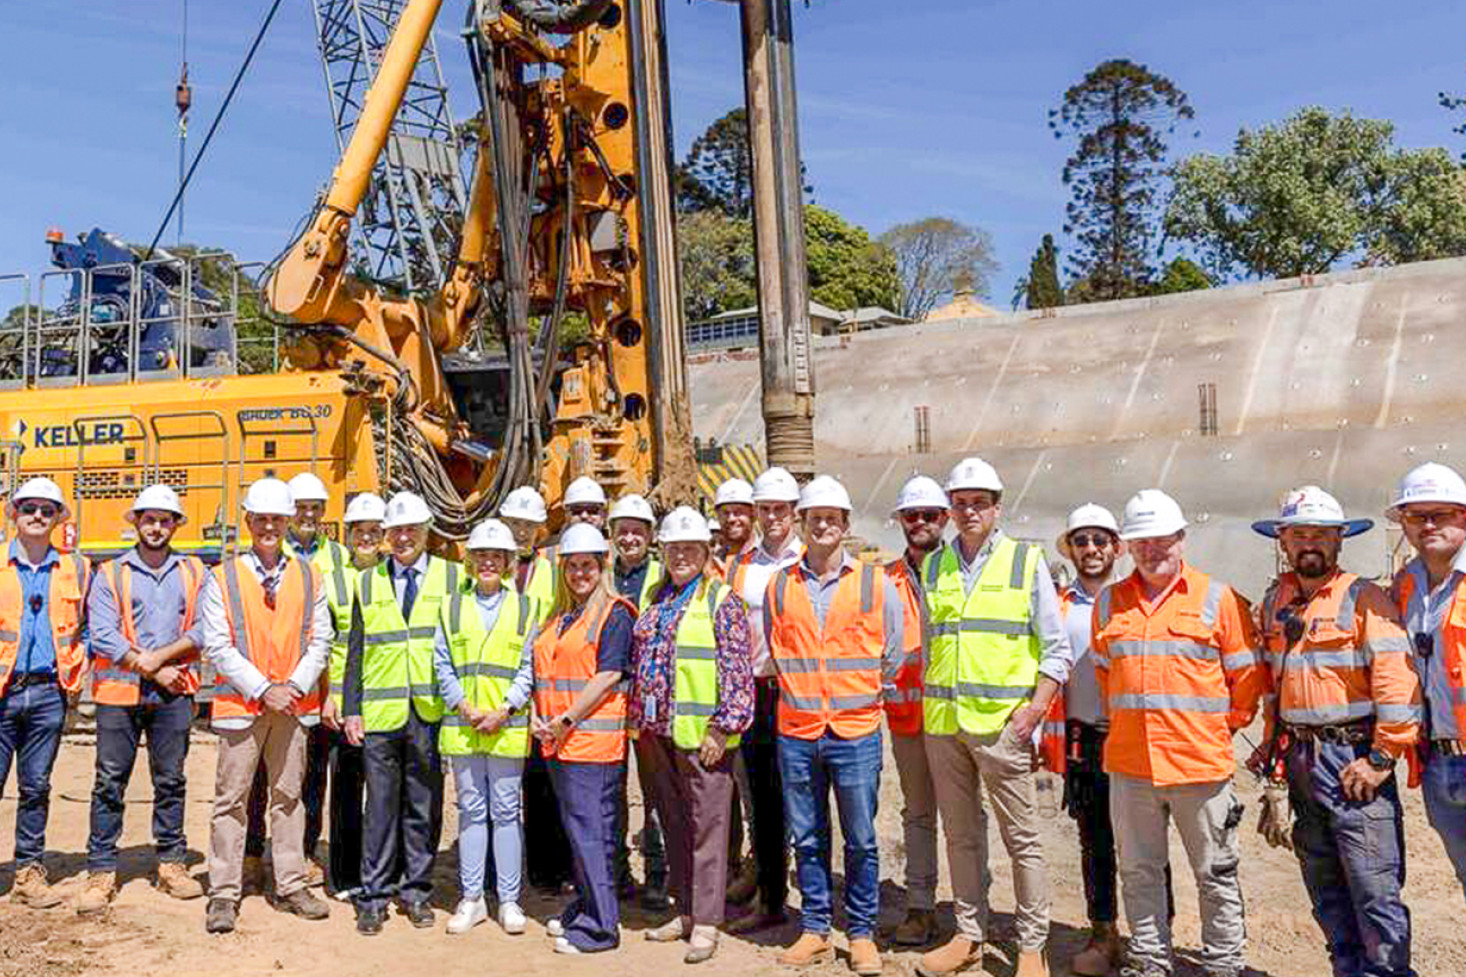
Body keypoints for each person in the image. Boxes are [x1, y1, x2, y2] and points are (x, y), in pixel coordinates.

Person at [1091, 489, 1266, 977]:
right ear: (1128, 546)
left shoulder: (1218, 598)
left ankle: (1225, 964)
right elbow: (1108, 676)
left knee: (1215, 874)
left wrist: (1214, 729)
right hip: (1130, 766)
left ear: (1181, 539)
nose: (1151, 550)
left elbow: (1246, 680)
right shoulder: (1109, 604)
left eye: (1161, 539)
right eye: (1140, 541)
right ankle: (1149, 961)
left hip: (1199, 766)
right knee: (1139, 873)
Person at [1250, 486, 1419, 977]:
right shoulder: (1274, 604)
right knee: (1324, 886)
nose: (1310, 543)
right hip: (1300, 760)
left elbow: (1396, 680)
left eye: (1321, 535)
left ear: (1339, 541)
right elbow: (1272, 686)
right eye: (1299, 533)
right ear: (1282, 539)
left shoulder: (1365, 599)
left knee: (1373, 888)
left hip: (1353, 759)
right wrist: (1273, 754)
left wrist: (1383, 758)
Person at [916, 458, 1074, 977]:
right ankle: (969, 936)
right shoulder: (933, 566)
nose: (968, 511)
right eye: (960, 504)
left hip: (1003, 727)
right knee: (960, 836)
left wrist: (1033, 713)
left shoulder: (1025, 562)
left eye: (978, 502)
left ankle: (1032, 945)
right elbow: (931, 645)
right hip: (945, 726)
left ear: (996, 507)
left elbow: (1056, 649)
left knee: (1021, 839)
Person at [765, 476, 904, 976]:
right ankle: (817, 928)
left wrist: (860, 693)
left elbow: (894, 652)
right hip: (799, 731)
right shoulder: (781, 585)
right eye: (814, 517)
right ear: (802, 524)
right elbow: (777, 651)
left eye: (832, 518)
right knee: (808, 835)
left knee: (861, 838)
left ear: (845, 525)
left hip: (856, 730)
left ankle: (862, 933)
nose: (822, 524)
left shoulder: (873, 582)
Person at [1040, 503, 1173, 975]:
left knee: (1145, 846)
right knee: (1094, 840)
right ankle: (1104, 934)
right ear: (1071, 550)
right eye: (1081, 541)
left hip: (1136, 738)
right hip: (1086, 742)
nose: (1091, 549)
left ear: (1118, 547)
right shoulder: (1057, 605)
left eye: (1100, 540)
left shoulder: (1136, 599)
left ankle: (1155, 938)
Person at [202, 477, 332, 933]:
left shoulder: (309, 574)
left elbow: (321, 639)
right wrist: (264, 689)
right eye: (262, 520)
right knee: (231, 800)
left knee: (288, 797)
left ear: (288, 521)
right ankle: (223, 892)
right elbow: (218, 645)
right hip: (243, 707)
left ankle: (292, 883)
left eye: (277, 519)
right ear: (249, 522)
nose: (270, 527)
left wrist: (292, 686)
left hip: (293, 706)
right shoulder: (222, 577)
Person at [632, 507, 754, 964]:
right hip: (657, 733)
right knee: (675, 823)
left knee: (709, 828)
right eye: (673, 548)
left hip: (703, 736)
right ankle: (684, 910)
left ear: (706, 552)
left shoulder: (722, 601)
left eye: (690, 548)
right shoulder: (656, 597)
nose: (680, 555)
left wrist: (722, 727)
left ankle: (707, 920)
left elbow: (737, 674)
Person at [77, 484, 205, 913]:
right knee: (109, 781)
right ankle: (100, 869)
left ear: (175, 526)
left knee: (171, 780)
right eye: (148, 519)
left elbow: (204, 628)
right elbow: (103, 632)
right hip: (120, 694)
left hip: (173, 690)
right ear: (136, 523)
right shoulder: (110, 573)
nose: (156, 527)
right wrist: (147, 665)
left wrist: (161, 660)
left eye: (164, 520)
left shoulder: (194, 572)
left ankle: (171, 862)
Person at [343, 491, 456, 935]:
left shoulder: (452, 578)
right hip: (380, 714)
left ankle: (417, 892)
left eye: (412, 529)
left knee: (423, 807)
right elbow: (355, 653)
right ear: (386, 535)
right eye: (397, 530)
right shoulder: (367, 582)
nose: (404, 537)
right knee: (380, 808)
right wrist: (352, 709)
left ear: (427, 532)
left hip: (429, 711)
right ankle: (374, 896)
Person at [531, 523, 635, 954]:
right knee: (578, 833)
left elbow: (609, 674)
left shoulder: (614, 614)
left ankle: (600, 928)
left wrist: (566, 719)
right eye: (572, 566)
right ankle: (587, 905)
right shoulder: (563, 615)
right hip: (560, 743)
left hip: (590, 745)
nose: (579, 573)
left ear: (602, 566)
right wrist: (541, 714)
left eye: (587, 566)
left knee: (593, 834)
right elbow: (547, 671)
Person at [434, 519, 537, 936]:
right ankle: (472, 897)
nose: (489, 563)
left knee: (507, 812)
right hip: (464, 724)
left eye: (497, 556)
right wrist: (464, 704)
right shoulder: (452, 605)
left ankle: (509, 900)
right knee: (472, 813)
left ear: (509, 562)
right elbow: (441, 662)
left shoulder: (526, 608)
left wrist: (504, 709)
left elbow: (530, 667)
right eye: (482, 556)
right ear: (471, 562)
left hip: (505, 726)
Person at [243, 472, 342, 890]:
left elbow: (337, 628)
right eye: (299, 507)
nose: (307, 514)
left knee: (310, 774)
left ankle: (302, 851)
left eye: (314, 508)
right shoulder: (265, 559)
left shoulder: (338, 557)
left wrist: (326, 687)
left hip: (313, 683)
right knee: (257, 779)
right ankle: (251, 854)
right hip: (264, 685)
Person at [0, 477, 89, 908]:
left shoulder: (76, 569)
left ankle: (29, 872)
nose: (37, 515)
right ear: (13, 513)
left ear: (57, 519)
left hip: (49, 693)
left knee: (36, 786)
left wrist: (79, 662)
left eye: (47, 509)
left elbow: (90, 625)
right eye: (29, 507)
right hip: (2, 693)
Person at [725, 466, 804, 935]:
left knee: (806, 797)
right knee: (764, 801)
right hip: (754, 690)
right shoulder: (742, 566)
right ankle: (772, 899)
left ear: (794, 512)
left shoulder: (807, 558)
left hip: (797, 692)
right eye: (766, 509)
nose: (772, 517)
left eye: (780, 509)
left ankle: (814, 905)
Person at [1387, 462, 1466, 900]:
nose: (1428, 525)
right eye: (1416, 516)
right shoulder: (1405, 585)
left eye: (1441, 513)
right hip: (1438, 763)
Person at [499, 484, 574, 895]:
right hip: (503, 688)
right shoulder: (491, 568)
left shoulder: (551, 569)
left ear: (540, 529)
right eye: (514, 524)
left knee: (548, 780)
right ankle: (527, 868)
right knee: (514, 783)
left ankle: (555, 870)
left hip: (545, 689)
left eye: (528, 525)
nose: (521, 532)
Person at [884, 476, 947, 947]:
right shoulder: (884, 579)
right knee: (919, 815)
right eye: (911, 515)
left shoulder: (961, 572)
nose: (919, 523)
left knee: (968, 821)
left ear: (943, 519)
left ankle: (972, 913)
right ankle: (921, 908)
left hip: (960, 720)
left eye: (928, 515)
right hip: (908, 720)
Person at [319, 492, 385, 899]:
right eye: (359, 531)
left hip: (386, 699)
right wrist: (328, 694)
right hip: (343, 702)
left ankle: (378, 870)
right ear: (348, 534)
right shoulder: (333, 578)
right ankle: (345, 876)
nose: (366, 538)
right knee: (345, 789)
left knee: (382, 794)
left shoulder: (392, 575)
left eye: (373, 531)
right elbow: (323, 642)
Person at [607, 492, 669, 909]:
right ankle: (615, 872)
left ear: (650, 535)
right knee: (610, 790)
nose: (629, 538)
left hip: (650, 702)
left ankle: (657, 875)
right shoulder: (600, 574)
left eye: (637, 531)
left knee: (655, 792)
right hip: (610, 701)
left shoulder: (663, 577)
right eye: (622, 531)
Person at [711, 476, 760, 905]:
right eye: (726, 512)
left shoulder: (762, 563)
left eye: (740, 510)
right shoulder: (712, 562)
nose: (733, 517)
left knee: (752, 785)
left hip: (754, 687)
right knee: (720, 784)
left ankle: (757, 868)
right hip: (713, 693)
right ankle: (725, 867)